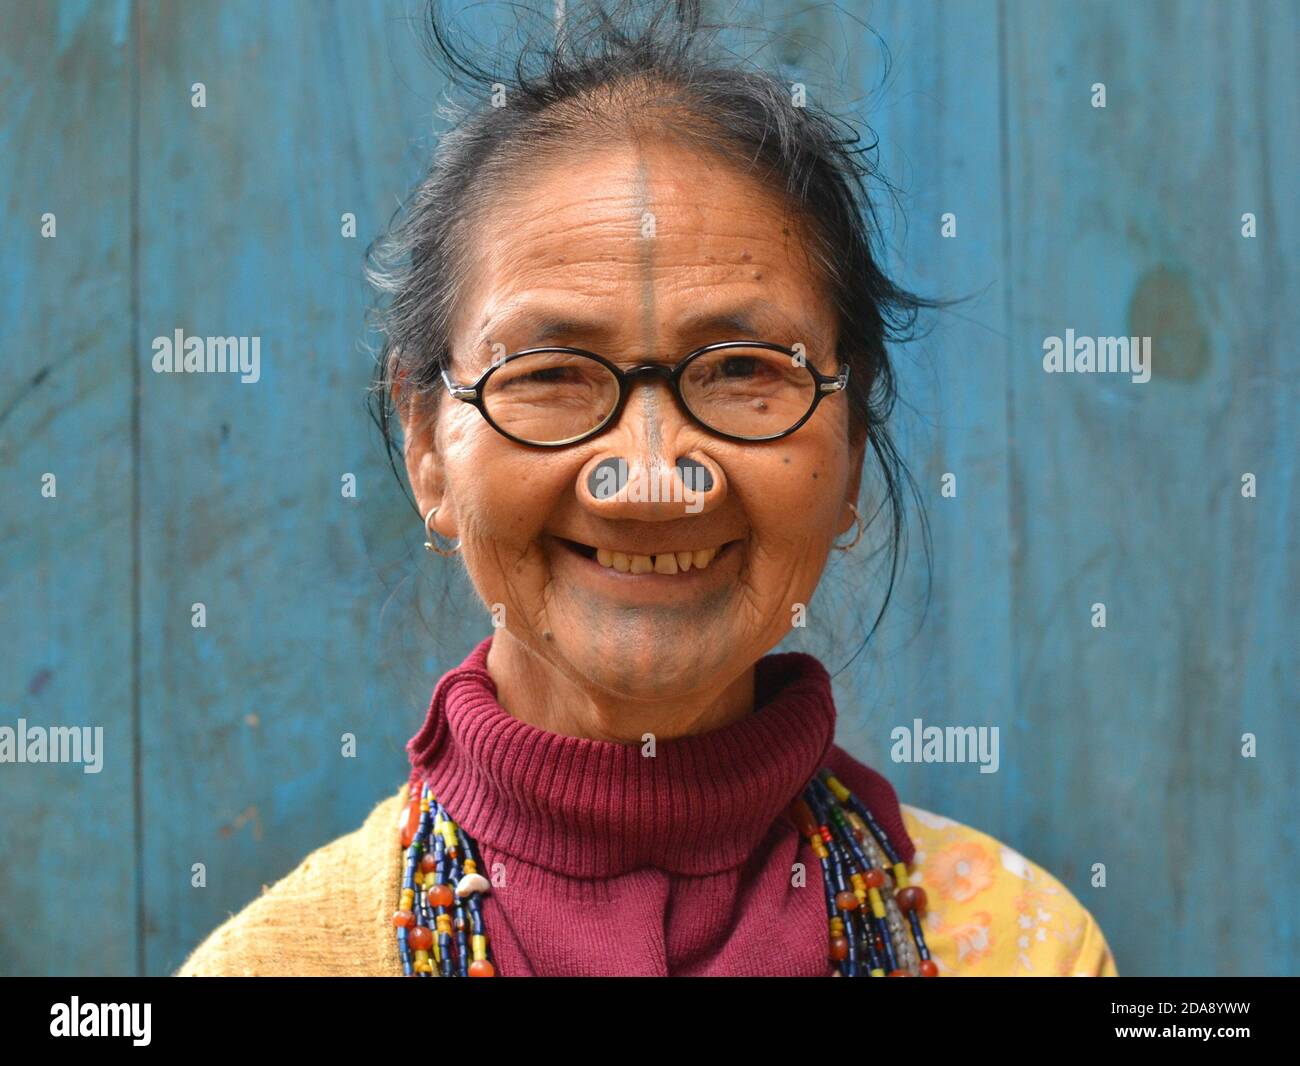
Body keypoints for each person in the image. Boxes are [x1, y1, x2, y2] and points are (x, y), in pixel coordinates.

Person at [176, 0, 1116, 978]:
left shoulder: (1017, 947)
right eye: (548, 375)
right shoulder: (279, 964)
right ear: (425, 444)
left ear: (850, 442)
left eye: (744, 369)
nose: (651, 476)